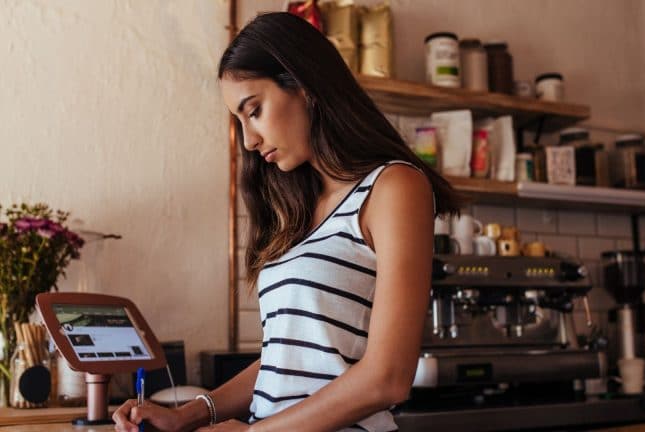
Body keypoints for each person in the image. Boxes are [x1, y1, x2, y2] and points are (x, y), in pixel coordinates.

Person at [114, 12, 461, 432]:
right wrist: (186, 415)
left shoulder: (394, 187)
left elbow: (387, 379)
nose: (248, 139)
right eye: (239, 121)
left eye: (254, 110)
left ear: (304, 85)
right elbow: (285, 358)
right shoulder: (300, 212)